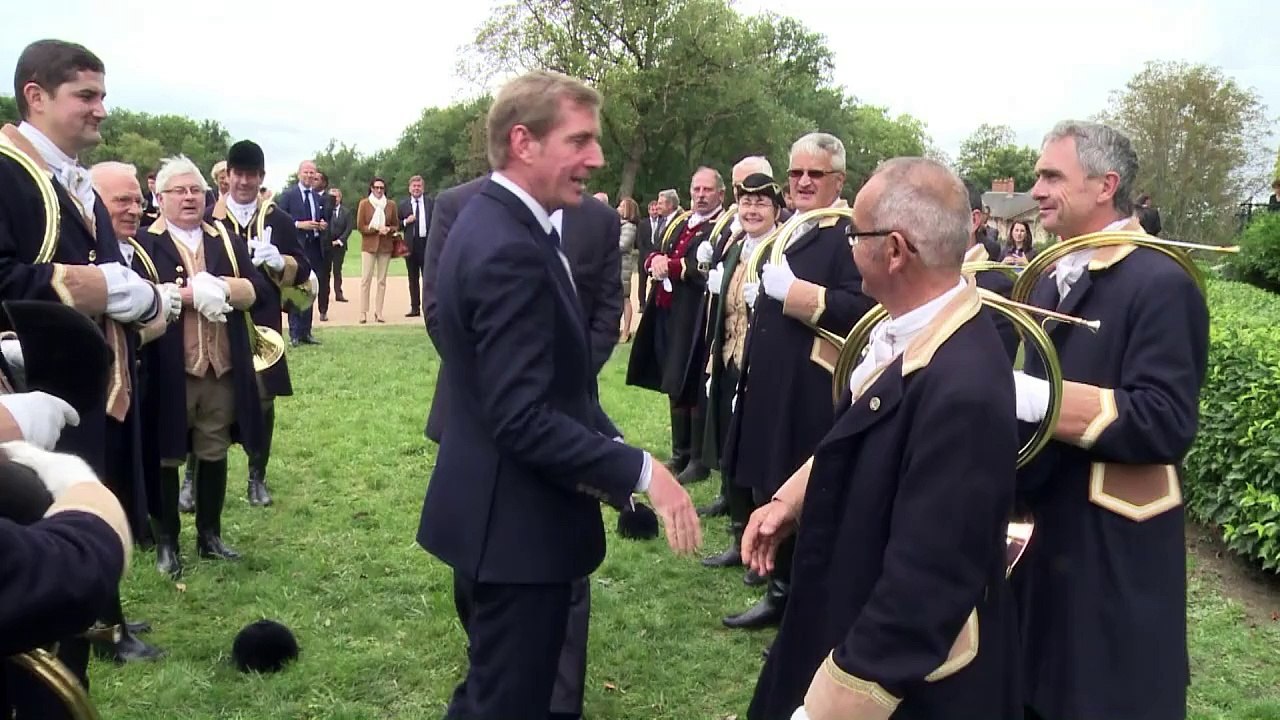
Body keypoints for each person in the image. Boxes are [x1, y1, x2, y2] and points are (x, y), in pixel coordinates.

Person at [417, 69, 701, 719]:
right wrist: (643, 471)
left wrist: (602, 432)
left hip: (505, 516)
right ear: (524, 141)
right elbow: (520, 417)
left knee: (490, 693)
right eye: (579, 141)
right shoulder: (505, 243)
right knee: (509, 702)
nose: (596, 158)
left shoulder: (497, 219)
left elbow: (538, 384)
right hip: (516, 527)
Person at [741, 156, 1021, 720]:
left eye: (854, 235)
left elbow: (925, 586)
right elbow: (860, 440)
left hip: (904, 687)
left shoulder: (960, 384)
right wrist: (789, 501)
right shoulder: (914, 333)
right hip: (846, 604)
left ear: (894, 251)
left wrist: (824, 711)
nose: (847, 246)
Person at [1012, 120, 1209, 720]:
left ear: (1107, 185)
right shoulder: (1051, 275)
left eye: (1052, 175)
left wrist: (1038, 401)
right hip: (1047, 529)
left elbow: (1166, 420)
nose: (1036, 189)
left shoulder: (1161, 281)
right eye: (1037, 175)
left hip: (1110, 546)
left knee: (1101, 697)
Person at [0, 38, 172, 668]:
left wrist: (141, 299)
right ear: (36, 97)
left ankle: (94, 630)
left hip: (88, 395)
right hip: (22, 414)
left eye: (102, 95)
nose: (101, 109)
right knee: (36, 590)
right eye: (86, 96)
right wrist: (97, 286)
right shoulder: (6, 172)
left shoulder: (76, 183)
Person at [719, 133, 873, 631]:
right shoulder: (792, 230)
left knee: (801, 490)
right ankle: (774, 580)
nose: (803, 182)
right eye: (796, 174)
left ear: (839, 181)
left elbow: (865, 310)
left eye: (815, 174)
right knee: (770, 476)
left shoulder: (851, 234)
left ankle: (793, 600)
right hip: (772, 379)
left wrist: (797, 294)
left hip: (813, 386)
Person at [139, 154, 268, 567]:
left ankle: (209, 536)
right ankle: (166, 543)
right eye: (179, 191)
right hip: (169, 368)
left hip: (221, 368)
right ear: (160, 198)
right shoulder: (144, 241)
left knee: (214, 450)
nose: (190, 197)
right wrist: (189, 295)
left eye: (196, 190)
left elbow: (253, 290)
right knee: (165, 454)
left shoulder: (223, 238)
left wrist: (222, 288)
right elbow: (139, 297)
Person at [204, 140, 315, 508]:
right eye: (239, 174)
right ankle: (193, 476)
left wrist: (280, 261)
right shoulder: (209, 217)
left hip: (263, 323)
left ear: (261, 177)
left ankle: (257, 477)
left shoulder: (278, 219)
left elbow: (304, 267)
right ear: (227, 177)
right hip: (216, 320)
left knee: (263, 400)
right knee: (205, 398)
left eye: (252, 175)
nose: (245, 181)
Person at [698, 172, 783, 574]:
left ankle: (761, 547)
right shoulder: (734, 246)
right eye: (746, 203)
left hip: (761, 366)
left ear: (776, 211)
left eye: (761, 203)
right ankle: (737, 536)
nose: (751, 210)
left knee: (756, 456)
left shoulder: (779, 251)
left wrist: (768, 300)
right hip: (730, 358)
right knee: (730, 450)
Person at [626, 166, 726, 485]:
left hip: (697, 314)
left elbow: (704, 267)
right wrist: (654, 260)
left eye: (707, 190)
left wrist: (670, 265)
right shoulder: (682, 221)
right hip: (669, 311)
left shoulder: (722, 226)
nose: (700, 195)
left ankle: (698, 458)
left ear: (720, 194)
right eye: (696, 189)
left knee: (693, 382)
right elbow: (657, 248)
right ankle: (680, 450)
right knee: (673, 378)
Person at [276, 160, 326, 344]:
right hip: (296, 248)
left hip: (314, 247)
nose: (309, 176)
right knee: (296, 289)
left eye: (312, 173)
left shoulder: (317, 197)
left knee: (311, 288)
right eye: (306, 172)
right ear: (299, 174)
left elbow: (321, 218)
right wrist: (299, 224)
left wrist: (321, 225)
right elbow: (280, 220)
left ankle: (306, 332)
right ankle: (295, 333)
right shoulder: (289, 195)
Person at [355, 177, 399, 324]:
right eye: (376, 187)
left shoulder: (391, 205)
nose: (379, 190)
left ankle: (379, 312)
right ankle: (363, 312)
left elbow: (395, 225)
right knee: (365, 279)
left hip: (385, 246)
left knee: (381, 281)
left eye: (381, 187)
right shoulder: (364, 204)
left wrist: (388, 229)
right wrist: (374, 229)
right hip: (369, 245)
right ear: (372, 188)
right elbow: (360, 226)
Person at [398, 176, 432, 317]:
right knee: (412, 278)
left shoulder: (431, 203)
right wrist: (406, 221)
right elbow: (397, 224)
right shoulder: (403, 205)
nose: (416, 188)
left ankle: (429, 307)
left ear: (423, 188)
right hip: (410, 245)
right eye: (414, 186)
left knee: (428, 278)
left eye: (419, 186)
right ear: (409, 188)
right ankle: (415, 308)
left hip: (427, 244)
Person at [616, 197, 639, 342]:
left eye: (622, 206)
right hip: (616, 265)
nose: (618, 207)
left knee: (625, 298)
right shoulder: (618, 225)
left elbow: (623, 245)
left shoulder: (629, 226)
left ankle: (626, 331)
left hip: (623, 266)